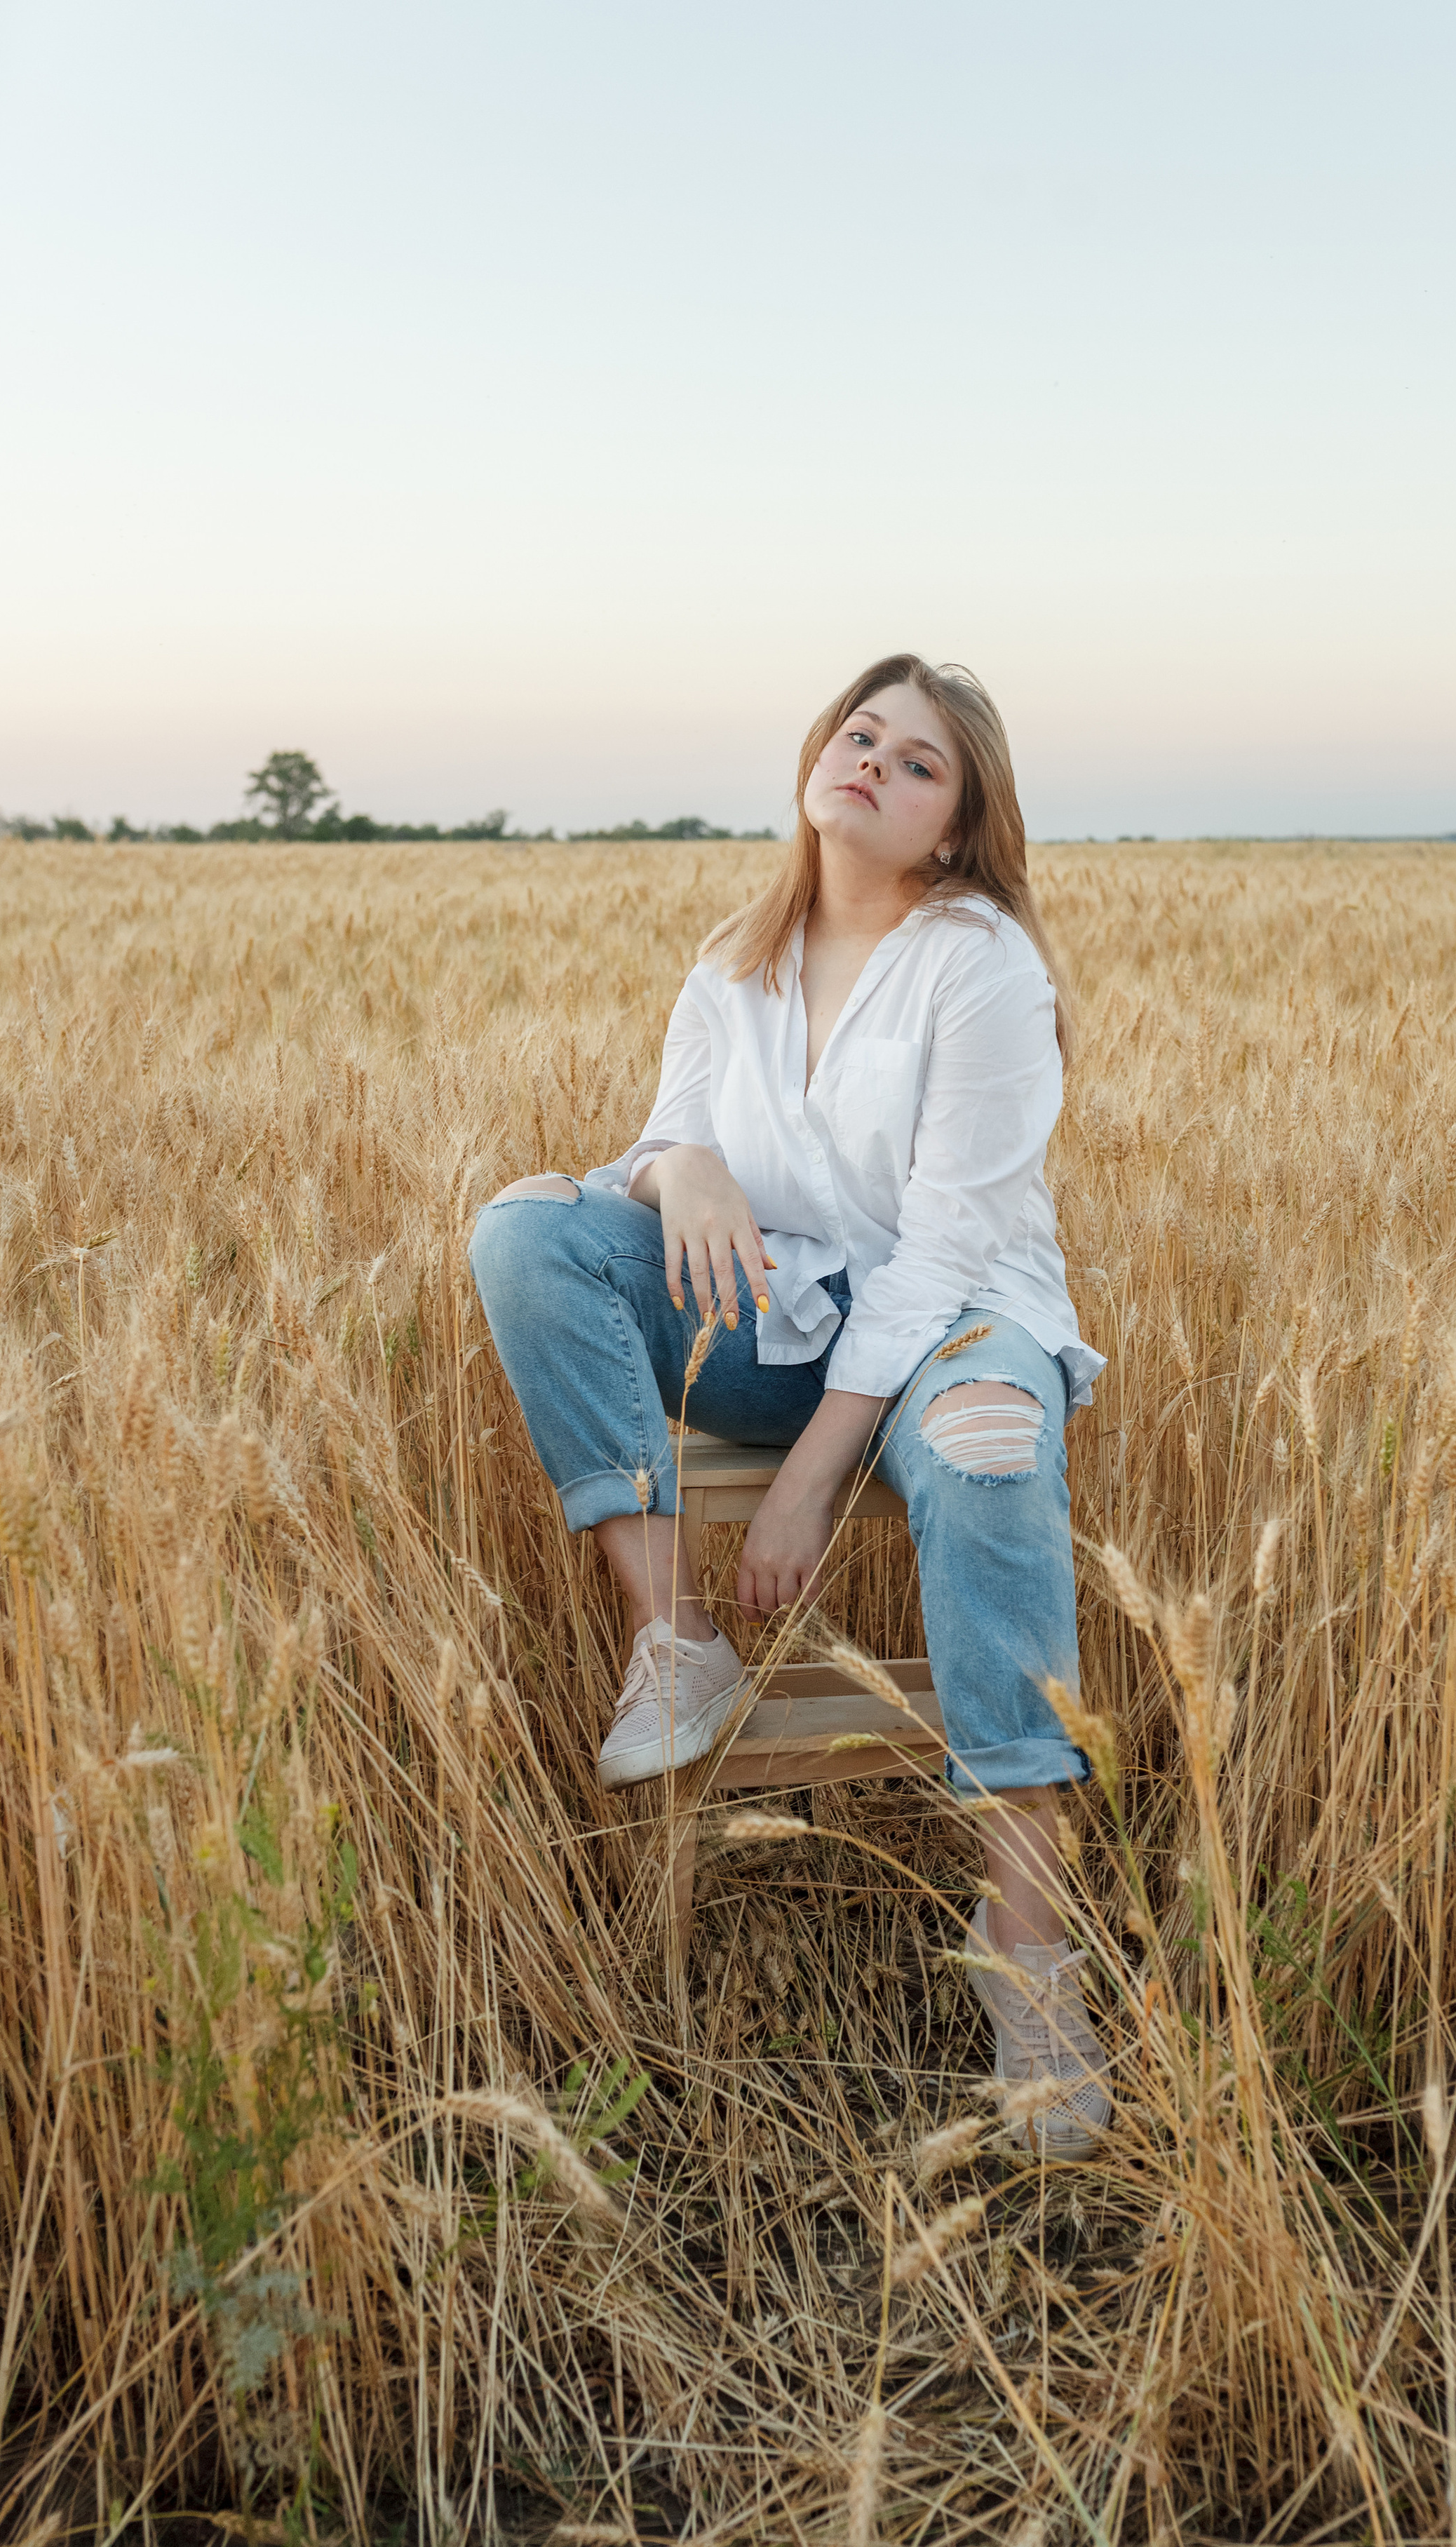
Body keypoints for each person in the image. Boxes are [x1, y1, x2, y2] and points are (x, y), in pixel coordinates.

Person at [469, 655, 1110, 2158]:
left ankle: (1027, 1942)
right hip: (780, 1313)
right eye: (860, 734)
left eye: (919, 763)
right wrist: (669, 1171)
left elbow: (945, 1245)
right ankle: (676, 1635)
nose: (874, 764)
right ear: (819, 758)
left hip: (958, 1327)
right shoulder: (731, 963)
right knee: (526, 1231)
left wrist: (819, 1471)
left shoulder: (981, 966)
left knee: (984, 1448)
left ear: (953, 828)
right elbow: (666, 1140)